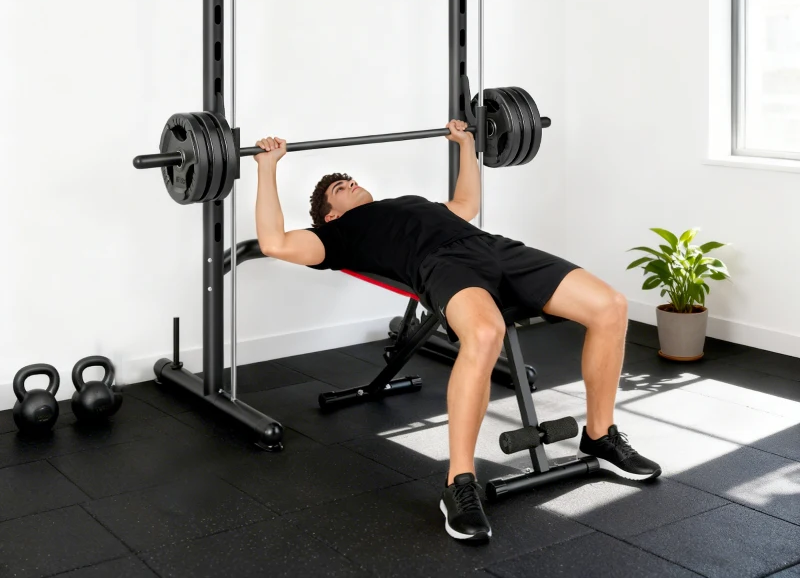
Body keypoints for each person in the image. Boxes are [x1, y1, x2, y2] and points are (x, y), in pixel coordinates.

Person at [253, 120, 661, 544]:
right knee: (486, 334)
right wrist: (268, 167)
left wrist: (466, 144)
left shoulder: (411, 202)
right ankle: (458, 484)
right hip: (442, 267)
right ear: (331, 214)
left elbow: (465, 203)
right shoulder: (337, 235)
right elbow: (274, 243)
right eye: (339, 188)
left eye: (349, 178)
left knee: (611, 306)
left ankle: (599, 436)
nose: (349, 182)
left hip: (494, 247)